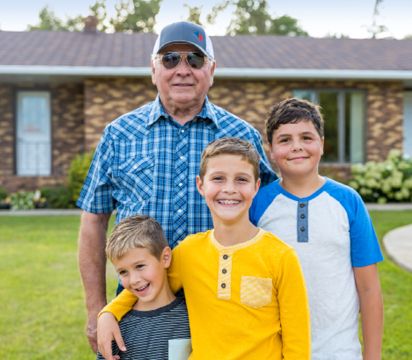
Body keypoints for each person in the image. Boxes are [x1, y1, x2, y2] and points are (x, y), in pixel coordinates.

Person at [76, 21, 277, 352]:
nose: (182, 69)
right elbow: (94, 221)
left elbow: (269, 217)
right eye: (170, 59)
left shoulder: (243, 137)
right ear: (153, 69)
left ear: (211, 70)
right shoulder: (118, 134)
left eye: (194, 60)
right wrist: (96, 309)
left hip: (221, 308)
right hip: (136, 309)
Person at [97, 137, 311, 360]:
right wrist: (109, 312)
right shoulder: (188, 252)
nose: (229, 189)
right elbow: (149, 280)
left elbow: (297, 343)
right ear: (201, 185)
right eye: (218, 178)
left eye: (241, 179)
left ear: (256, 187)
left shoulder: (281, 256)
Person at [249, 98, 384, 360]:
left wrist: (373, 356)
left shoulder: (348, 202)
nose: (296, 146)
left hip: (339, 352)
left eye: (306, 137)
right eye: (285, 139)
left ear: (321, 144)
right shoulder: (257, 205)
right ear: (271, 150)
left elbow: (369, 290)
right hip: (276, 351)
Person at [95, 215, 191, 360]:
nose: (134, 280)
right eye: (123, 272)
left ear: (165, 258)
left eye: (139, 266)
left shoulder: (193, 316)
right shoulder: (114, 329)